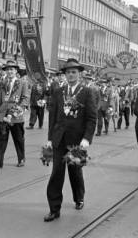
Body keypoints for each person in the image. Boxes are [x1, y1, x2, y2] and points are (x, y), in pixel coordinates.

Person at [44, 58, 97, 222]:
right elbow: (53, 116)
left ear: (79, 74)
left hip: (77, 141)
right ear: (65, 74)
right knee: (56, 174)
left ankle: (79, 197)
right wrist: (50, 139)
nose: (71, 75)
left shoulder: (87, 92)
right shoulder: (58, 91)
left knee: (75, 171)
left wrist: (87, 138)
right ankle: (54, 209)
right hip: (59, 139)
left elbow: (91, 118)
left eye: (74, 72)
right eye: (68, 72)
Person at [0, 60, 29, 169]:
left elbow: (25, 99)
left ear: (16, 70)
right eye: (7, 69)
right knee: (1, 140)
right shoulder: (2, 83)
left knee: (18, 139)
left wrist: (14, 112)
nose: (9, 71)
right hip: (2, 116)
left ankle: (21, 158)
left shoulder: (22, 83)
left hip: (16, 117)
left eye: (12, 69)